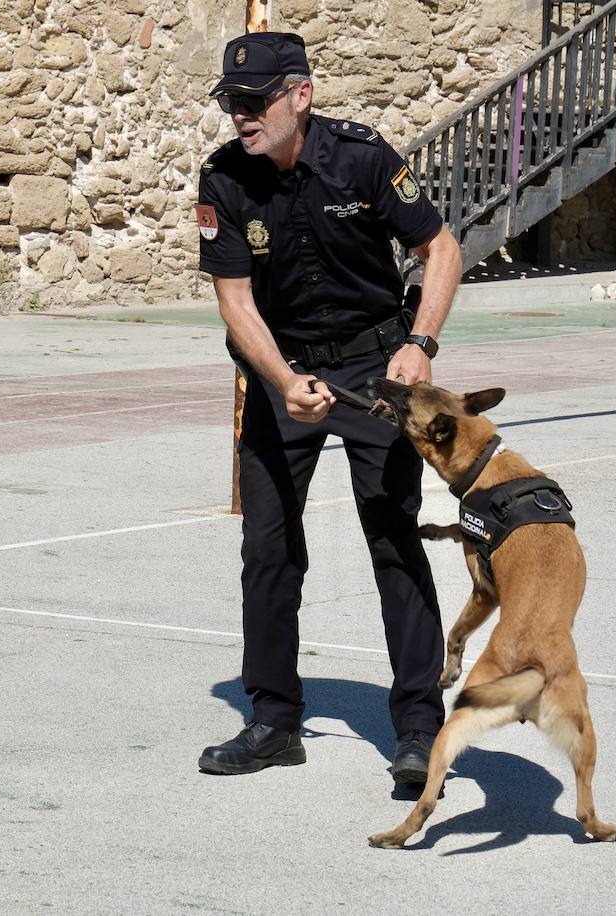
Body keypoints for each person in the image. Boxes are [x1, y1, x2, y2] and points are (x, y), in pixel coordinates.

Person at [194, 31, 463, 783]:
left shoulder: (363, 157)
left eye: (255, 102)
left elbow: (441, 250)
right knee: (269, 550)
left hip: (377, 368)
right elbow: (235, 302)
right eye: (232, 104)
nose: (242, 117)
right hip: (282, 368)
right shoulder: (222, 181)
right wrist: (282, 382)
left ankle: (417, 727)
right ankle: (274, 721)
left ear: (300, 95)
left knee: (391, 536)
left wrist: (421, 346)